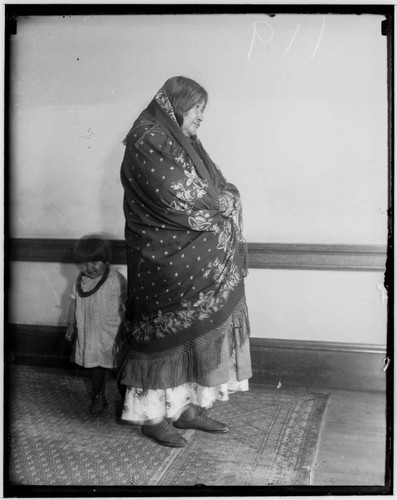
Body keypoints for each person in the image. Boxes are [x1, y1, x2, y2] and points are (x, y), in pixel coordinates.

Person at [115, 76, 251, 447]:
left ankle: (186, 409)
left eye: (202, 111)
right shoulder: (148, 138)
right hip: (162, 259)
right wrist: (222, 202)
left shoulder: (184, 141)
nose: (200, 117)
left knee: (194, 336)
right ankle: (152, 416)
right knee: (161, 338)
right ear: (176, 103)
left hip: (193, 260)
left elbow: (217, 185)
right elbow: (177, 196)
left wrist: (226, 198)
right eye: (196, 109)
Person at [65, 235, 127, 415]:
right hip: (91, 334)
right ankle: (98, 396)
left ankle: (129, 401)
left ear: (106, 261)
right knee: (95, 368)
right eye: (83, 263)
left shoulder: (117, 280)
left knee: (120, 370)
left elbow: (126, 306)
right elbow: (74, 303)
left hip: (113, 335)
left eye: (94, 262)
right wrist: (70, 326)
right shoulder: (79, 282)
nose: (88, 267)